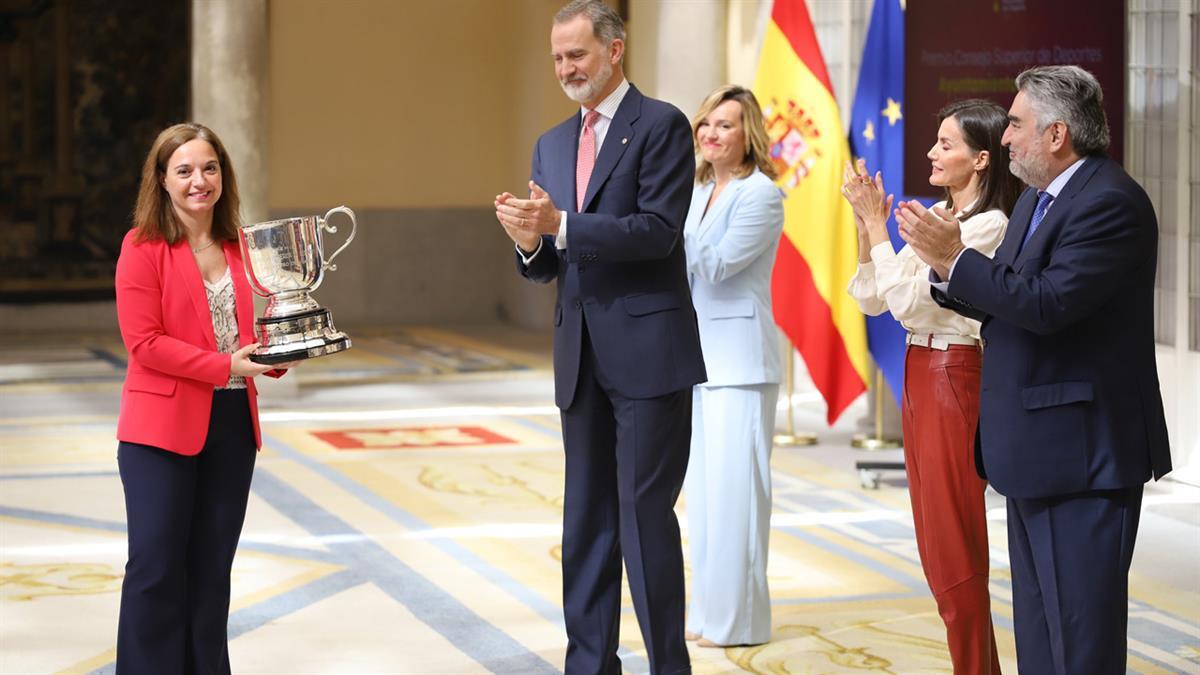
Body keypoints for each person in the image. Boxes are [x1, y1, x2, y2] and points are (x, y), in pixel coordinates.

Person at [897, 65, 1172, 675]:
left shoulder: (1108, 202)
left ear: (1056, 134)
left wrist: (955, 257)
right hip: (1034, 451)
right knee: (1042, 639)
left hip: (1081, 454)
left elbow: (1047, 305)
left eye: (1016, 124)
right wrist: (946, 271)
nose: (1006, 138)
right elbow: (1010, 295)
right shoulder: (1041, 202)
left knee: (1080, 640)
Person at [492, 1, 704, 672]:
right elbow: (552, 261)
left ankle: (668, 663)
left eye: (576, 55)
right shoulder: (551, 144)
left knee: (643, 520)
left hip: (647, 356)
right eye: (557, 57)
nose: (565, 68)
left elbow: (657, 231)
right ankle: (589, 662)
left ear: (614, 51)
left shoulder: (662, 125)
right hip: (578, 358)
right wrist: (531, 244)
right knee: (585, 524)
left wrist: (562, 225)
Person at [844, 98, 1022, 674]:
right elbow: (872, 295)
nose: (931, 152)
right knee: (933, 546)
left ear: (981, 161)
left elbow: (904, 302)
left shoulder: (987, 226)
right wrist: (867, 230)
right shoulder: (939, 218)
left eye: (946, 144)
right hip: (921, 374)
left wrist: (877, 229)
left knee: (953, 547)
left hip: (954, 374)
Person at [114, 122, 297, 674]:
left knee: (212, 570)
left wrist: (282, 348)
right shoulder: (141, 248)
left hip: (232, 426)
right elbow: (144, 343)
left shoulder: (243, 247)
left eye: (210, 168)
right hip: (159, 431)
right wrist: (224, 365)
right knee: (156, 570)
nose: (200, 181)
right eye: (185, 170)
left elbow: (258, 334)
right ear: (163, 180)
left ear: (224, 175)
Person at [679, 85, 783, 649]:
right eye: (706, 124)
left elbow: (715, 266)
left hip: (742, 364)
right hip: (695, 359)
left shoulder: (761, 194)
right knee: (706, 498)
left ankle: (740, 622)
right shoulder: (695, 190)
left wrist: (661, 228)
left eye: (725, 125)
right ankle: (708, 612)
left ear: (748, 136)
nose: (711, 134)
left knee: (739, 498)